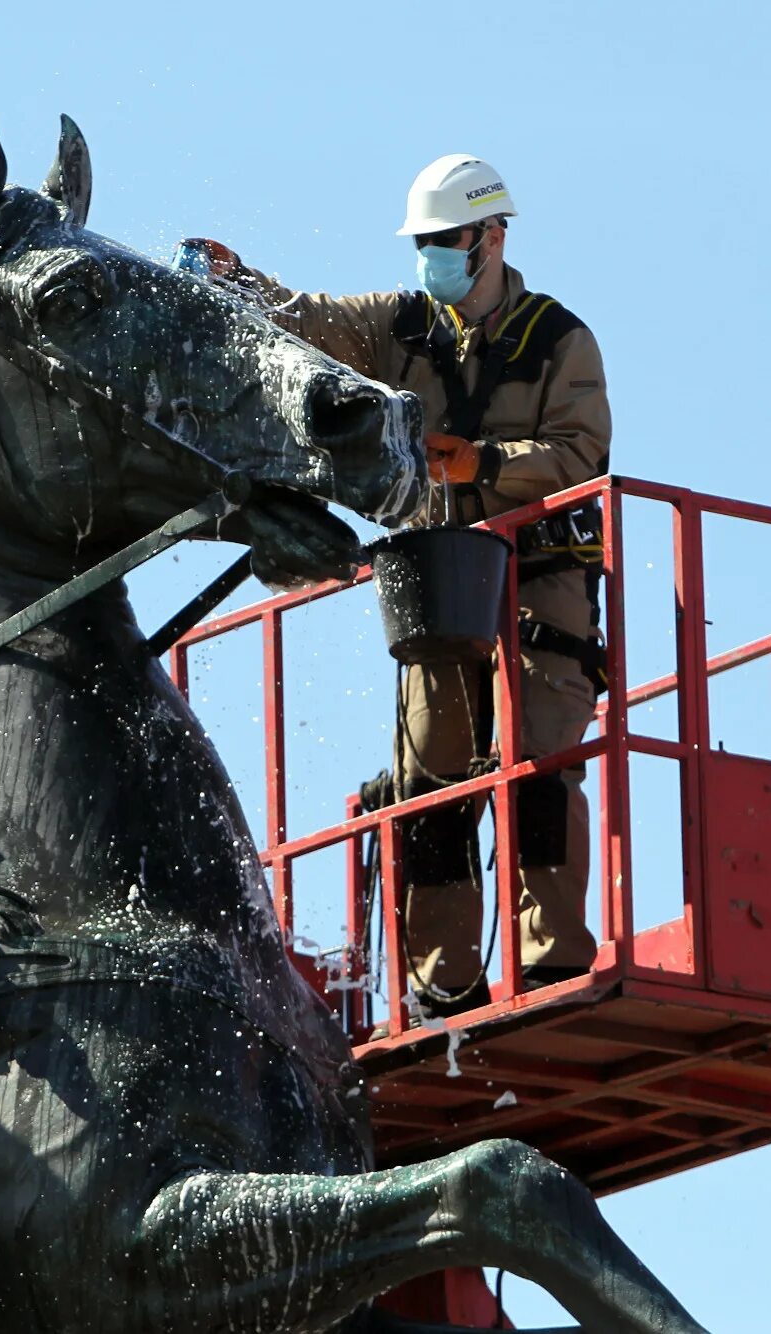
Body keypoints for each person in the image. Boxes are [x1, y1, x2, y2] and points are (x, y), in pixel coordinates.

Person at [179, 154, 610, 1015]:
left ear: (491, 236)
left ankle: (552, 964)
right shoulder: (399, 325)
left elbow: (581, 454)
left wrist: (482, 462)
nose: (433, 256)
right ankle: (443, 983)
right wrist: (239, 283)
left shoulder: (560, 341)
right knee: (433, 784)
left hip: (542, 583)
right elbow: (311, 321)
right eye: (424, 242)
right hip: (442, 581)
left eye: (446, 240)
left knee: (539, 770)